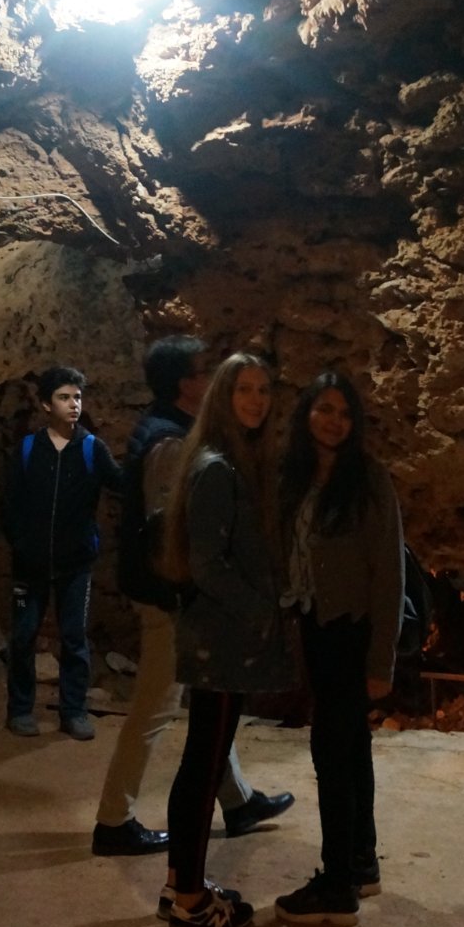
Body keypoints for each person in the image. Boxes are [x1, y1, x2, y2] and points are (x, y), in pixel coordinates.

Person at [91, 336, 293, 857]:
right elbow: (170, 529)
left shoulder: (169, 429)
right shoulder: (171, 443)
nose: (215, 382)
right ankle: (114, 819)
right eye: (207, 372)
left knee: (206, 695)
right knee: (155, 707)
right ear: (186, 384)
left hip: (168, 589)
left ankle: (239, 801)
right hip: (167, 595)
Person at [157, 352, 299, 927]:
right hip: (220, 642)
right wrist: (262, 611)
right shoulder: (216, 469)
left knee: (204, 762)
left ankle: (180, 885)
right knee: (204, 766)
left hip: (222, 640)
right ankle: (190, 902)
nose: (256, 400)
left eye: (264, 390)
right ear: (223, 396)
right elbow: (209, 565)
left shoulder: (227, 461)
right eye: (244, 389)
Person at [273, 371, 404, 927]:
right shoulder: (297, 475)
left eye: (345, 413)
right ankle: (361, 861)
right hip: (316, 625)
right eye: (325, 409)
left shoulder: (368, 479)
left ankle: (336, 885)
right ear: (306, 413)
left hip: (351, 632)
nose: (334, 421)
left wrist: (381, 661)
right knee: (351, 748)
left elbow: (388, 575)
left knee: (332, 751)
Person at [0, 366, 123, 740]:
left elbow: (122, 485)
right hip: (29, 566)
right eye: (64, 397)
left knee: (74, 638)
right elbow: (8, 501)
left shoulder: (91, 449)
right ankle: (20, 709)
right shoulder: (27, 449)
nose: (74, 404)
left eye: (78, 397)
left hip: (75, 565)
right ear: (45, 404)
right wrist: (20, 543)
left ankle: (73, 711)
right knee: (23, 636)